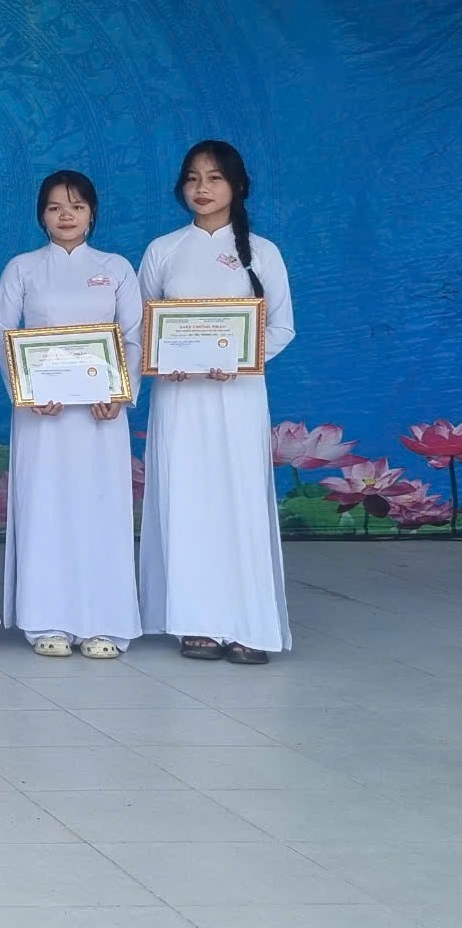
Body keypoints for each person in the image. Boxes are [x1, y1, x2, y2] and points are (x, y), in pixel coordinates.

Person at [140, 140, 294, 665]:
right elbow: (144, 327)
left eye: (214, 178)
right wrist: (163, 358)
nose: (201, 188)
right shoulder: (163, 250)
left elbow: (282, 327)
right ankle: (196, 622)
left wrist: (241, 358)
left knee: (239, 501)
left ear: (238, 186)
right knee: (185, 500)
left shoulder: (263, 253)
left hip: (238, 398)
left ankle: (250, 625)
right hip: (179, 397)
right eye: (192, 178)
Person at [0, 171, 143, 660]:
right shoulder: (23, 268)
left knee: (102, 509)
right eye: (55, 207)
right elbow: (2, 332)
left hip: (101, 416)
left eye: (76, 207)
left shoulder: (116, 268)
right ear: (41, 214)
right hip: (43, 416)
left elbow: (134, 336)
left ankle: (105, 622)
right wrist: (26, 390)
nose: (66, 216)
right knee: (45, 508)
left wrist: (120, 393)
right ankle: (46, 620)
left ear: (92, 214)